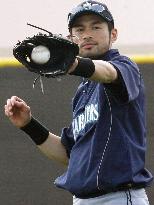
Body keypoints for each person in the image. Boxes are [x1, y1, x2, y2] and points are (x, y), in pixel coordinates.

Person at [4, 1, 153, 204]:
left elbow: (108, 73)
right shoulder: (83, 92)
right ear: (70, 39)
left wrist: (73, 64)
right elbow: (68, 155)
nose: (87, 34)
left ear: (114, 34)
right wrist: (28, 125)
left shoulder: (124, 66)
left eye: (96, 26)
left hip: (118, 198)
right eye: (79, 29)